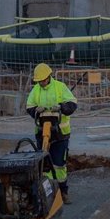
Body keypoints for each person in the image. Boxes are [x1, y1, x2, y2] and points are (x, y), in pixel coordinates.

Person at [26, 63, 77, 204]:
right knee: (44, 166)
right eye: (39, 81)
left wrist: (61, 107)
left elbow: (72, 104)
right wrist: (36, 110)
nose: (41, 83)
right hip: (42, 133)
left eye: (43, 80)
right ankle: (47, 195)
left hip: (60, 134)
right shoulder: (36, 90)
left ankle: (63, 192)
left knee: (59, 165)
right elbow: (29, 106)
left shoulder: (60, 87)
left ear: (49, 76)